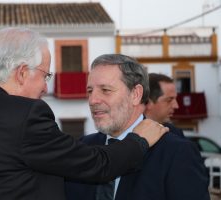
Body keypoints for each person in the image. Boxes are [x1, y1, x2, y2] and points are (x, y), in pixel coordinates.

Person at [0, 28, 167, 200]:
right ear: (22, 73)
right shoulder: (25, 116)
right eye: (45, 75)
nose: (45, 87)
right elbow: (98, 165)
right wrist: (140, 139)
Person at [65, 54, 210, 200]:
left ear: (135, 94)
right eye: (90, 91)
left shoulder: (177, 153)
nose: (92, 100)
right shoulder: (84, 148)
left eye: (105, 90)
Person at [144, 73, 184, 137]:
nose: (176, 106)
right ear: (148, 102)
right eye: (169, 100)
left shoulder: (176, 134)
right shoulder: (126, 134)